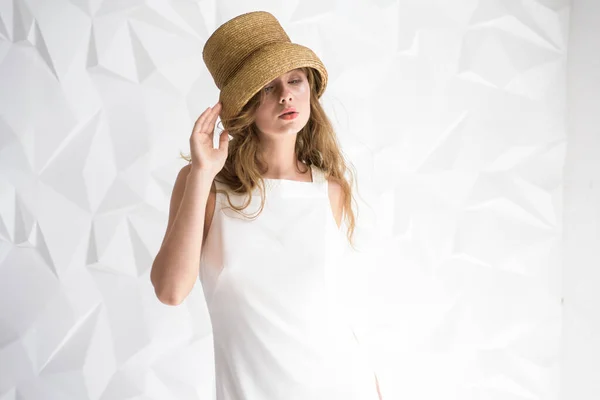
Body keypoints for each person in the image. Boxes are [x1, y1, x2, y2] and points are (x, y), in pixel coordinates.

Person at [151, 11, 382, 400]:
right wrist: (203, 173)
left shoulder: (332, 190)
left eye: (295, 80)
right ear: (243, 106)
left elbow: (334, 314)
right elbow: (171, 291)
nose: (286, 95)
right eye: (267, 87)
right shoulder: (206, 185)